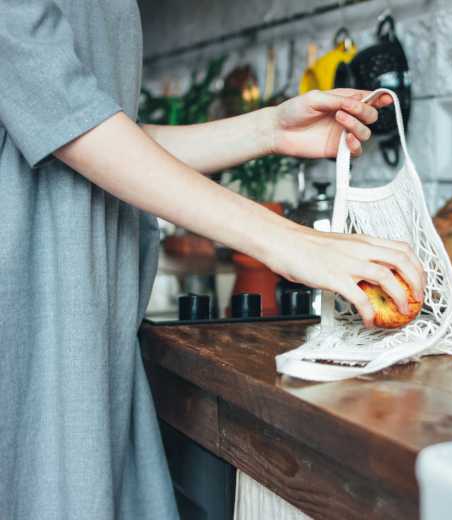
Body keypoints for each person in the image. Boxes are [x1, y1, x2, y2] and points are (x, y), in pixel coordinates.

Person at [0, 1, 425, 518]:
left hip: (89, 331)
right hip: (30, 322)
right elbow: (72, 128)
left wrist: (269, 131)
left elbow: (99, 136)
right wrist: (292, 242)